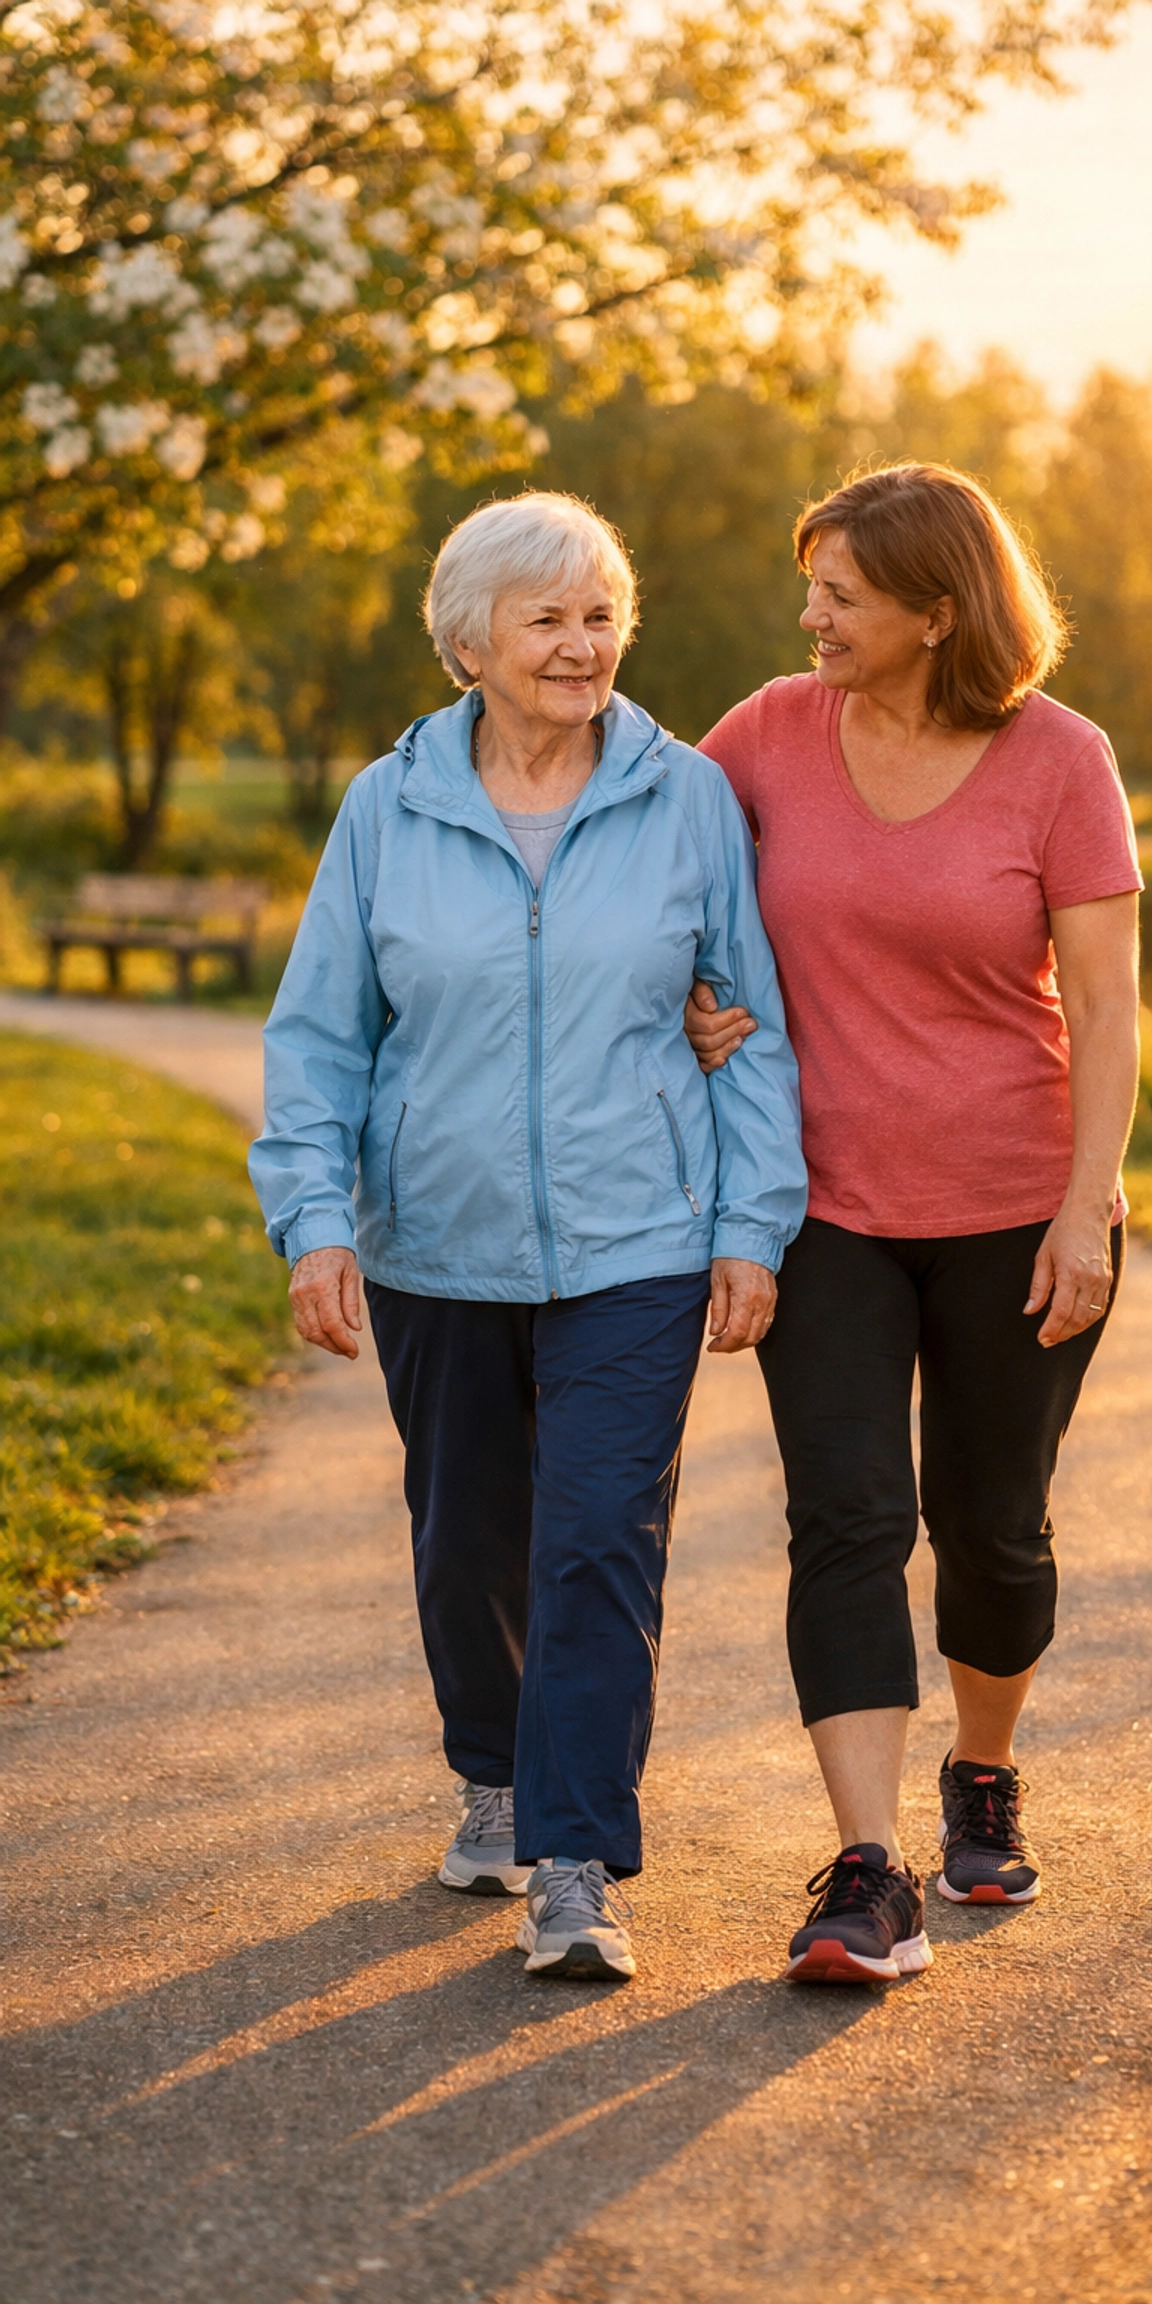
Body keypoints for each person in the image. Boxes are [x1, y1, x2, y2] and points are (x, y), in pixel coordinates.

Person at [250, 493, 805, 1983]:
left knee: (598, 1546)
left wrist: (751, 1225)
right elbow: (320, 1038)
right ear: (468, 645)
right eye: (548, 619)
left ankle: (577, 1860)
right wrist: (314, 1222)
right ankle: (491, 1774)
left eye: (602, 614)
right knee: (468, 1542)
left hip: (640, 1237)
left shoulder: (685, 799)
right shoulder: (390, 808)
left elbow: (746, 1028)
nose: (583, 645)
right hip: (436, 1241)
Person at [685, 462, 1141, 1984]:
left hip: (1018, 1208)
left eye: (842, 596)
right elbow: (651, 866)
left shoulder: (1060, 760)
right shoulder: (765, 732)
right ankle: (869, 1869)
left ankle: (983, 1771)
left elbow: (1107, 1011)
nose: (808, 615)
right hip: (824, 1212)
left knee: (991, 1531)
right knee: (851, 1520)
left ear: (937, 613)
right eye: (809, 585)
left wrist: (1087, 1211)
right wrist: (681, 998)